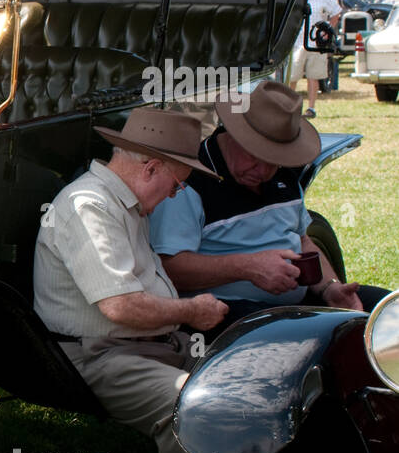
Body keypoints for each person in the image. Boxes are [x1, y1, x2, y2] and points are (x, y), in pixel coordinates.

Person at [34, 108, 229, 453]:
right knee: (191, 406)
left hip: (146, 346)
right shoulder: (87, 205)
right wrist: (191, 311)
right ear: (151, 169)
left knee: (237, 384)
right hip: (99, 355)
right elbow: (121, 307)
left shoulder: (124, 202)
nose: (173, 196)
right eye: (176, 187)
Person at [149, 81, 388, 330]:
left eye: (273, 160)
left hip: (293, 304)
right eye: (255, 156)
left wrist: (330, 288)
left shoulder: (283, 172)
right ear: (234, 134)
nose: (263, 171)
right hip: (225, 311)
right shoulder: (191, 179)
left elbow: (303, 241)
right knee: (311, 341)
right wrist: (248, 268)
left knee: (389, 311)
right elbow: (169, 268)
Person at [288, 0, 339, 117]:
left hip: (315, 43)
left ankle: (311, 108)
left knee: (313, 76)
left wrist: (328, 31)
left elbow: (336, 12)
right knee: (292, 76)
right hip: (297, 43)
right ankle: (289, 107)